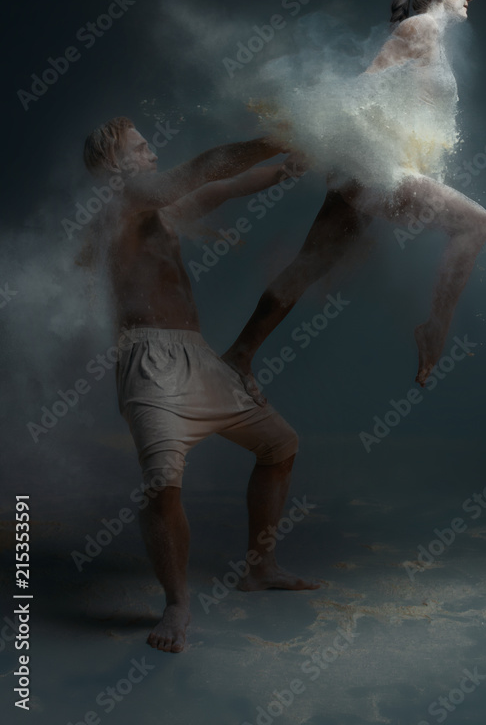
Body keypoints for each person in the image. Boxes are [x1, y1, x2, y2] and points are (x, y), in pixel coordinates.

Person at [81, 116, 320, 654]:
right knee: (163, 481)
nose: (152, 151)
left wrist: (285, 168)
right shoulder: (124, 201)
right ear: (117, 165)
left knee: (280, 445)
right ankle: (177, 604)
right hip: (148, 357)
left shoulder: (155, 211)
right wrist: (271, 141)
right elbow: (200, 170)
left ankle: (260, 568)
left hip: (198, 357)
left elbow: (223, 186)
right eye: (142, 147)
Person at [223, 0, 486, 391]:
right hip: (379, 171)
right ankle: (434, 329)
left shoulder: (432, 39)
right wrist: (309, 125)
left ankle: (239, 355)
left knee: (306, 267)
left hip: (374, 170)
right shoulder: (419, 28)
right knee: (477, 224)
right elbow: (366, 83)